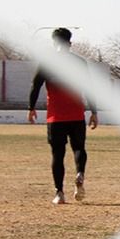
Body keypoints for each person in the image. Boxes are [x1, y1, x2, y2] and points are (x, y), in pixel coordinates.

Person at [27, 27, 98, 205]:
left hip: (55, 116)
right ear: (69, 43)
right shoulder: (79, 63)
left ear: (54, 43)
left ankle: (59, 193)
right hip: (76, 113)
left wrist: (31, 108)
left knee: (57, 154)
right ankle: (80, 173)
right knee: (79, 148)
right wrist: (94, 112)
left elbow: (35, 86)